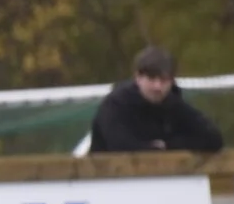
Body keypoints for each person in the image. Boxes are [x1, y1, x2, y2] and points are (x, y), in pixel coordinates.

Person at [87, 45, 226, 154]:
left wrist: (168, 146)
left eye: (164, 80)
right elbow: (119, 146)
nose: (157, 86)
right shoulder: (115, 105)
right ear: (138, 77)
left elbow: (213, 139)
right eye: (151, 79)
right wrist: (152, 148)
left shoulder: (174, 104)